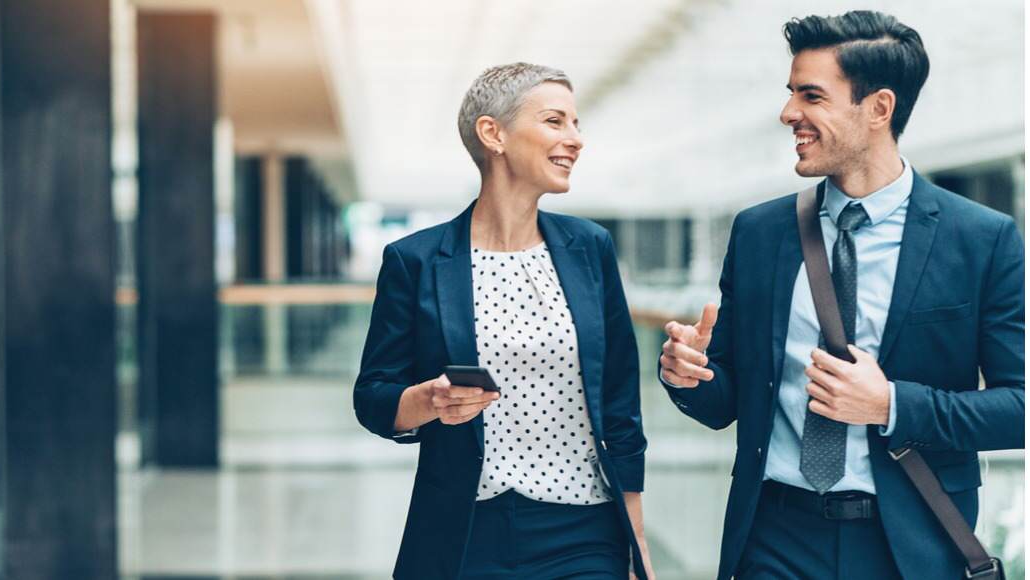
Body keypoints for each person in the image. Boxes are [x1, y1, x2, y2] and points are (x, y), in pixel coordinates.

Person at [658, 11, 1024, 579]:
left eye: (811, 96)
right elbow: (724, 400)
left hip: (909, 545)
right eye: (790, 94)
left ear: (879, 108)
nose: (788, 114)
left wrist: (891, 405)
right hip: (774, 539)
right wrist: (689, 376)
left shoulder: (980, 239)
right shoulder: (759, 233)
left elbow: (1019, 409)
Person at [354, 62, 653, 579]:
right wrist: (427, 401)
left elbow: (621, 404)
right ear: (493, 134)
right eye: (556, 121)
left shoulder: (590, 249)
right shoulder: (417, 260)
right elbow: (373, 396)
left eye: (577, 124)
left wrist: (637, 543)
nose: (575, 139)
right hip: (466, 532)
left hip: (586, 530)